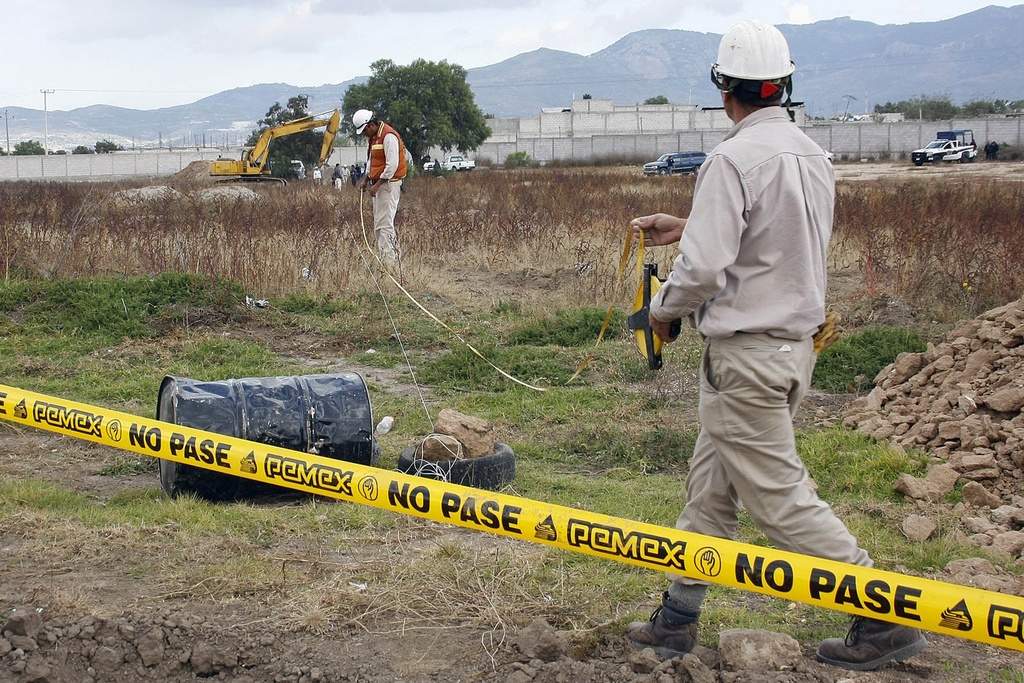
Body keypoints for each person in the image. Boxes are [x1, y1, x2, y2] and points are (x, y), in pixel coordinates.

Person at [624, 21, 927, 673]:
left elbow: (704, 270)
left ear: (723, 90)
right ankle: (677, 618)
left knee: (781, 499)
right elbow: (776, 232)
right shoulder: (811, 155)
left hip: (746, 362)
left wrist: (661, 311)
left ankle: (884, 613)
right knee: (711, 491)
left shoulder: (730, 160)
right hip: (791, 353)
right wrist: (691, 222)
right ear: (783, 86)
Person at [353, 109, 408, 268]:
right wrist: (367, 179)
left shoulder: (388, 136)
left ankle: (390, 264)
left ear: (371, 125)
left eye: (365, 131)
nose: (364, 134)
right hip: (379, 185)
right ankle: (389, 260)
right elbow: (372, 162)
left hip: (388, 185)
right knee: (379, 224)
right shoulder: (374, 138)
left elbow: (392, 166)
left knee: (385, 225)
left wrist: (377, 185)